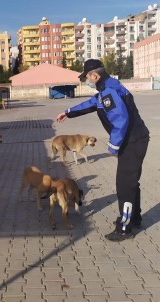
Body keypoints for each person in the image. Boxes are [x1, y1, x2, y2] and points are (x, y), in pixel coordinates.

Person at [56, 59, 150, 241]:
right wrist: (67, 112)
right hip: (134, 140)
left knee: (124, 185)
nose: (87, 80)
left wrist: (113, 146)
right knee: (130, 183)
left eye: (87, 77)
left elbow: (121, 120)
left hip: (132, 141)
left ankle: (124, 228)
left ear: (95, 75)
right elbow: (91, 104)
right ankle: (134, 218)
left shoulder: (108, 92)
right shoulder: (105, 90)